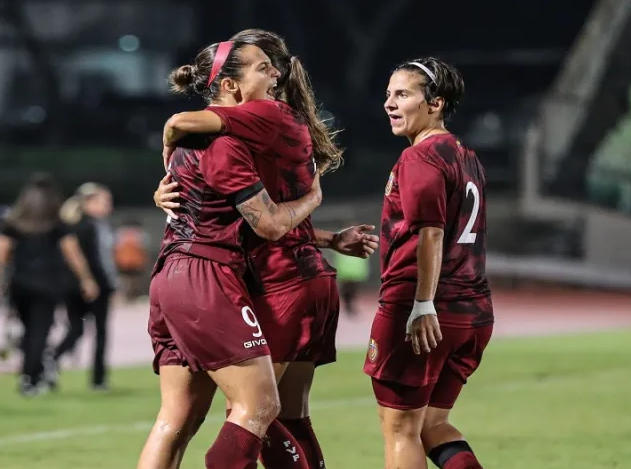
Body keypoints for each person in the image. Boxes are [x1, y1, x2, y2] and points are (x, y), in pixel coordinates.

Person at [156, 28, 379, 469]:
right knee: (282, 413)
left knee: (245, 410)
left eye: (264, 63)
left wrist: (168, 158)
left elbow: (269, 223)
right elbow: (267, 215)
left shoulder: (254, 125)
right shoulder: (281, 124)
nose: (270, 72)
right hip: (304, 274)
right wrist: (330, 233)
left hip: (272, 280)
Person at [362, 58, 494, 469]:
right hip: (472, 311)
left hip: (420, 310)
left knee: (399, 429)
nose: (389, 103)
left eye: (402, 94)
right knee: (434, 424)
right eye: (388, 94)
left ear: (435, 103)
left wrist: (422, 304)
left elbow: (430, 232)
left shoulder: (421, 157)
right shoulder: (466, 156)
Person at [0, 173, 98, 396]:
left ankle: (27, 376)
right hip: (47, 284)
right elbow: (72, 253)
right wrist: (86, 279)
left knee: (27, 330)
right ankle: (32, 378)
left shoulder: (14, 223)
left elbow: (2, 253)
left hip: (20, 283)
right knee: (40, 331)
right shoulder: (56, 223)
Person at [50, 182, 117, 391]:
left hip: (73, 285)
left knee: (76, 329)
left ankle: (50, 360)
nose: (108, 206)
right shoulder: (89, 226)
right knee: (100, 332)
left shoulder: (73, 224)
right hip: (93, 284)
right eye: (104, 201)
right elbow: (98, 260)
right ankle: (98, 379)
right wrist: (92, 281)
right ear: (89, 202)